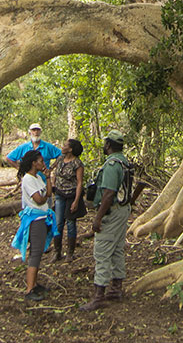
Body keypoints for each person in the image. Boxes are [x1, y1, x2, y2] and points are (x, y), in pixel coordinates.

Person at [80, 130, 136, 311]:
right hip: (123, 210)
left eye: (105, 143)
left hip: (112, 212)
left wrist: (98, 218)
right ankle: (116, 289)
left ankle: (99, 296)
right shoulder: (123, 161)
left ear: (109, 145)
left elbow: (108, 193)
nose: (104, 146)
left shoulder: (112, 165)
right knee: (117, 249)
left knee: (102, 250)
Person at [11, 150, 57, 301]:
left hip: (42, 217)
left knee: (38, 251)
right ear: (33, 163)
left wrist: (48, 177)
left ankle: (35, 284)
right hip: (35, 219)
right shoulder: (28, 179)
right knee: (35, 252)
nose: (43, 163)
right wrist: (44, 199)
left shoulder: (38, 177)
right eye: (41, 161)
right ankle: (29, 288)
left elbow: (48, 194)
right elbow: (39, 199)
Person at [50, 138, 84, 262]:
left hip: (71, 194)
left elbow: (80, 183)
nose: (62, 147)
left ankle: (70, 253)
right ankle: (57, 251)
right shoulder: (60, 159)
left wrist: (76, 200)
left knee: (70, 223)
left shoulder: (77, 164)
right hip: (59, 194)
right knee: (58, 223)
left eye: (65, 145)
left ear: (70, 149)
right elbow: (52, 171)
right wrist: (53, 183)